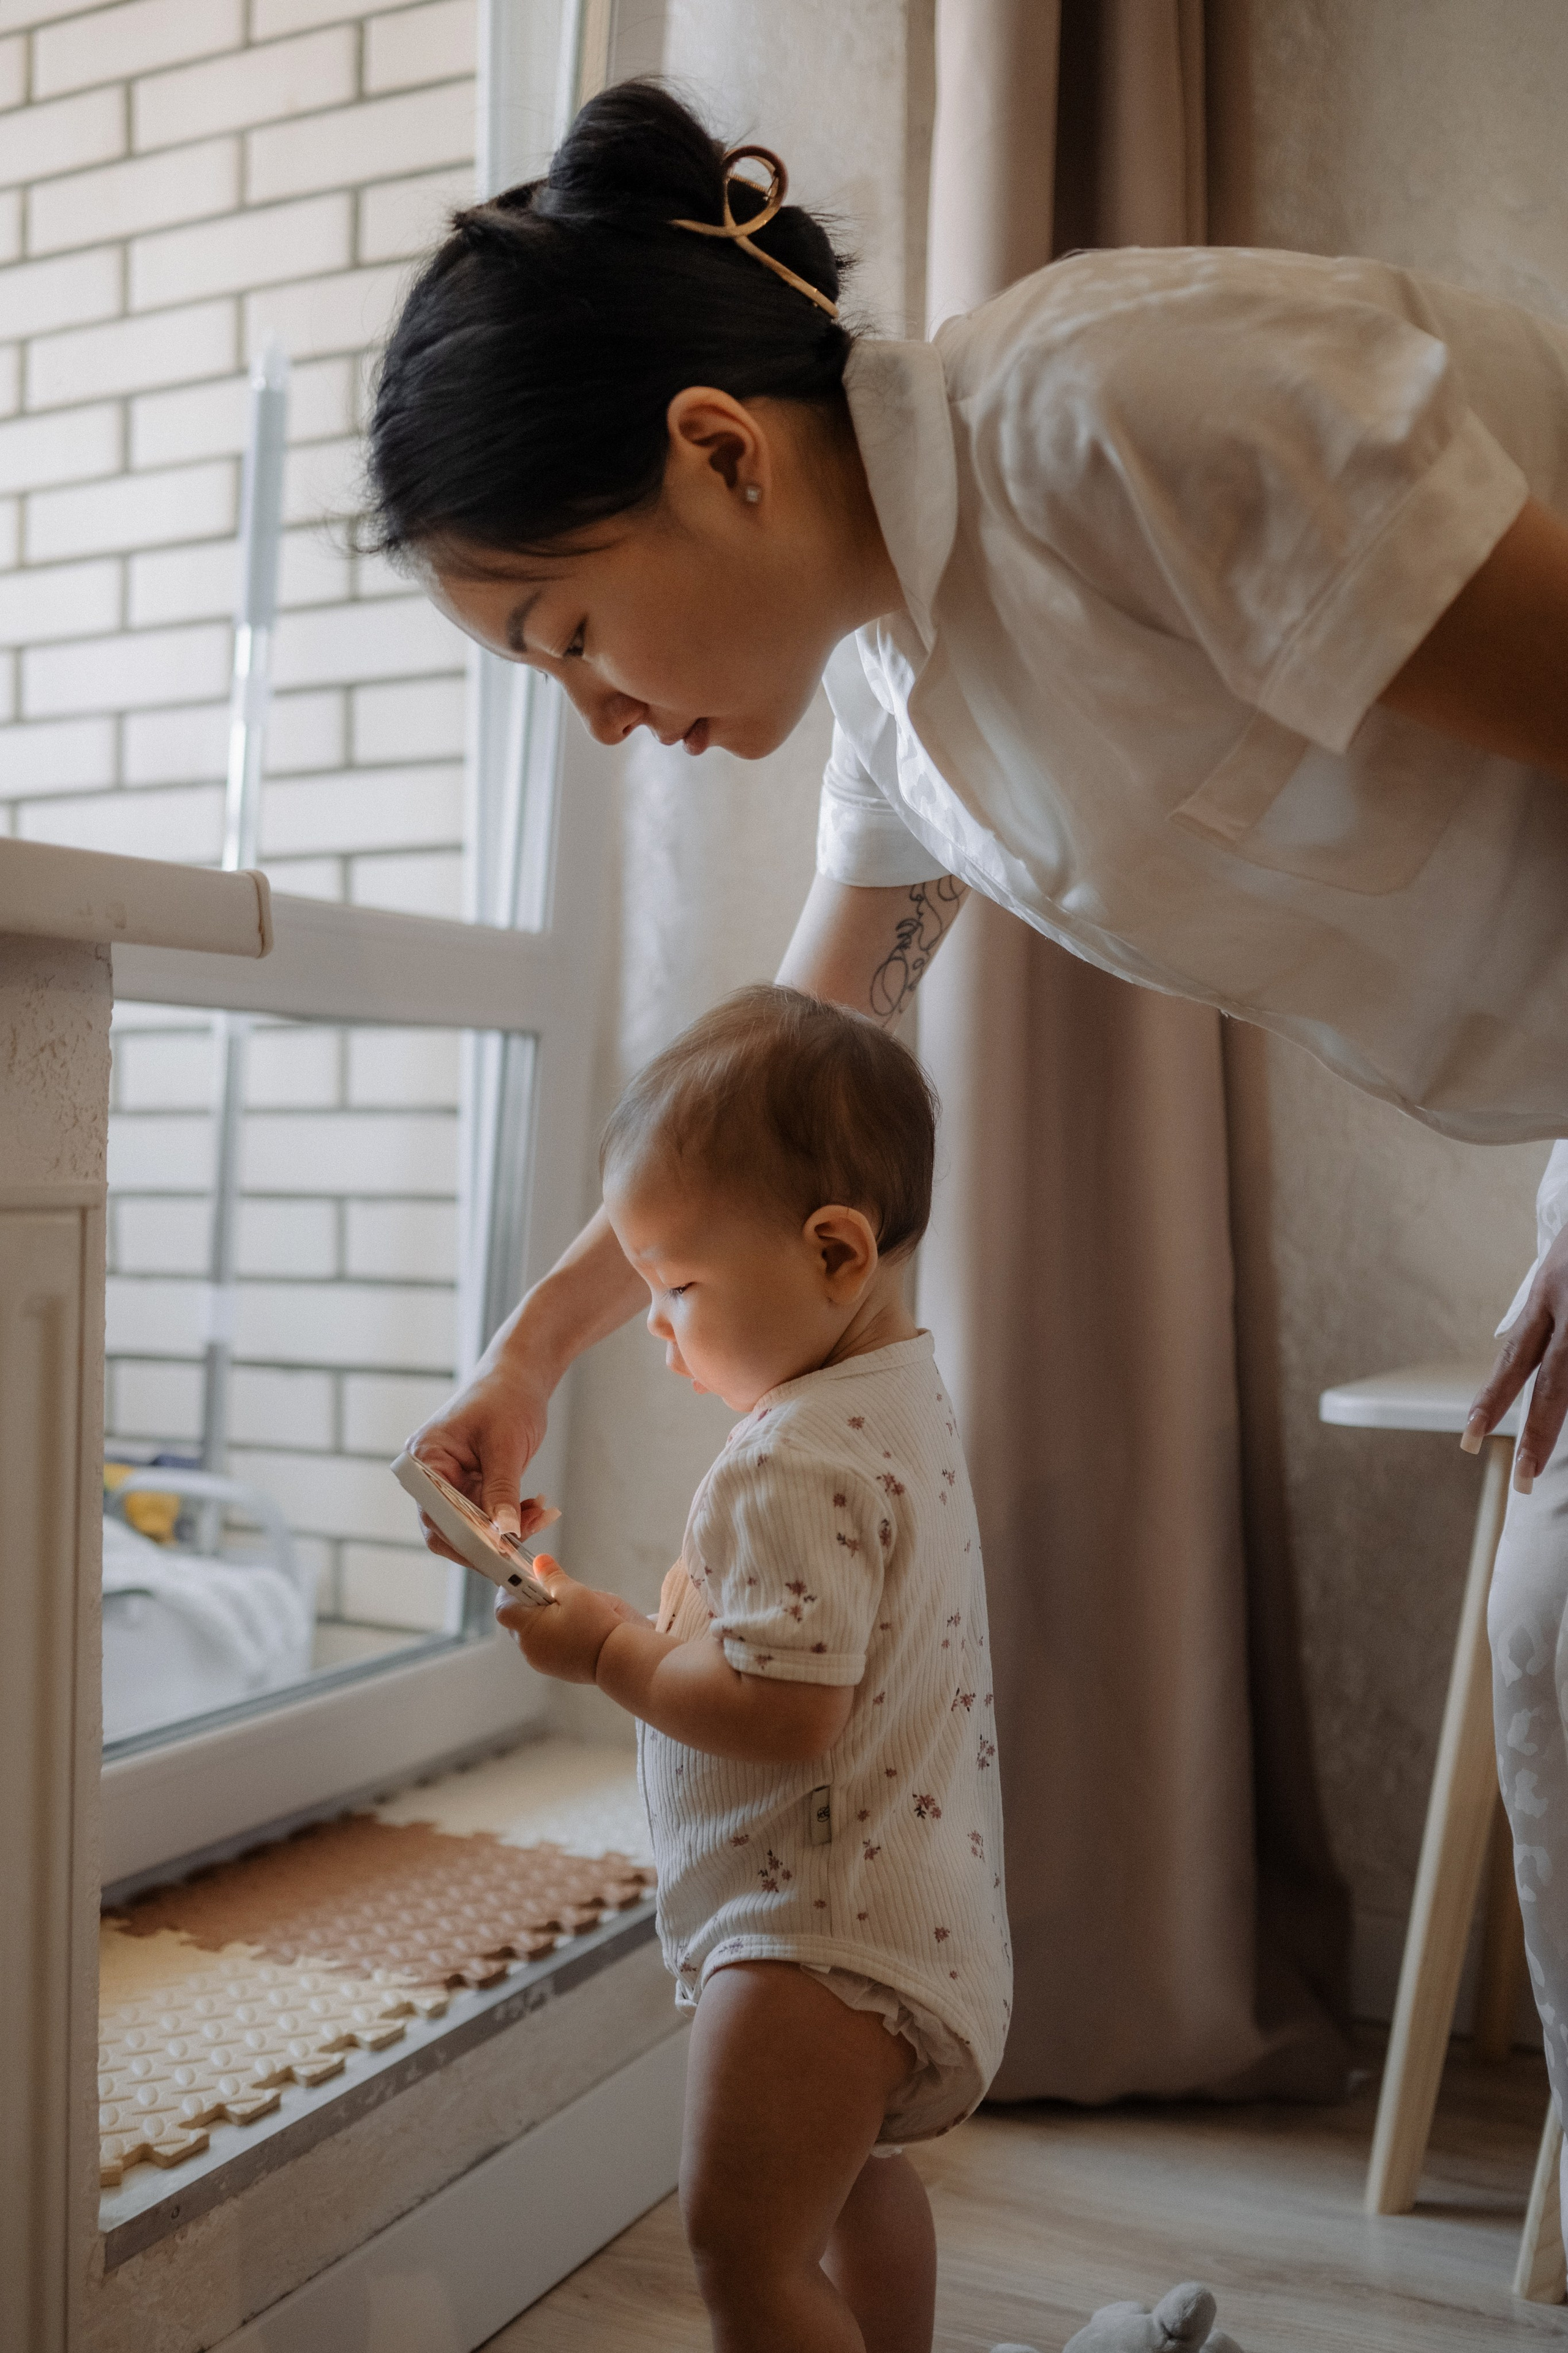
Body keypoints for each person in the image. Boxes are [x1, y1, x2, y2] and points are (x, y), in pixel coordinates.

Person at [364, 75, 1568, 2241]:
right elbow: (786, 1075)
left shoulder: (1111, 412)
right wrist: (544, 1348)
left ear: (716, 451)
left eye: (567, 636)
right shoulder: (912, 703)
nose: (603, 717)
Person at [500, 984, 1009, 2353]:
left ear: (834, 1252)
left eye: (672, 1287)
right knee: (855, 2183)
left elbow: (784, 1714)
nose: (656, 1329)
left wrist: (606, 1644)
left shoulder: (791, 1454)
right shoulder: (897, 1389)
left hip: (811, 1929)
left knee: (742, 2250)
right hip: (902, 1907)